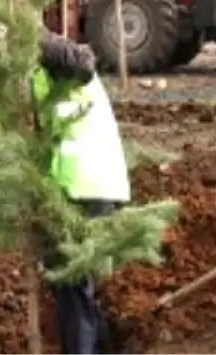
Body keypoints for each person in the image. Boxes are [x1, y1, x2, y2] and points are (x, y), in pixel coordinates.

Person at [32, 29, 130, 355]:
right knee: (76, 286)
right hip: (88, 187)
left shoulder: (68, 70)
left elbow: (82, 62)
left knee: (71, 283)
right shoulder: (50, 77)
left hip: (86, 188)